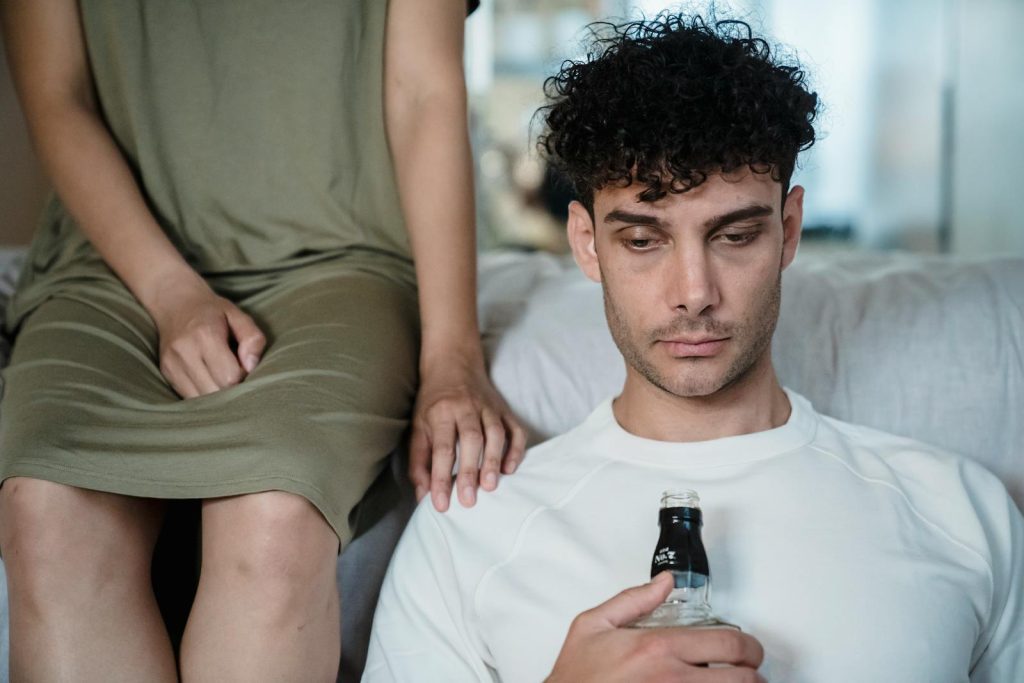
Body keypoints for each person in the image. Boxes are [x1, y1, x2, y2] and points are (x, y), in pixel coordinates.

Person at [364, 12, 1024, 682]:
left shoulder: (958, 511)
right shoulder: (472, 536)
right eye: (643, 240)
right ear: (587, 244)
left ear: (788, 231)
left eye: (734, 235)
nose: (694, 293)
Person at [0, 0, 526, 680]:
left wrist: (452, 357)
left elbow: (424, 92)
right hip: (109, 267)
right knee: (45, 509)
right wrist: (170, 291)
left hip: (341, 259)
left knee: (276, 512)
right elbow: (56, 95)